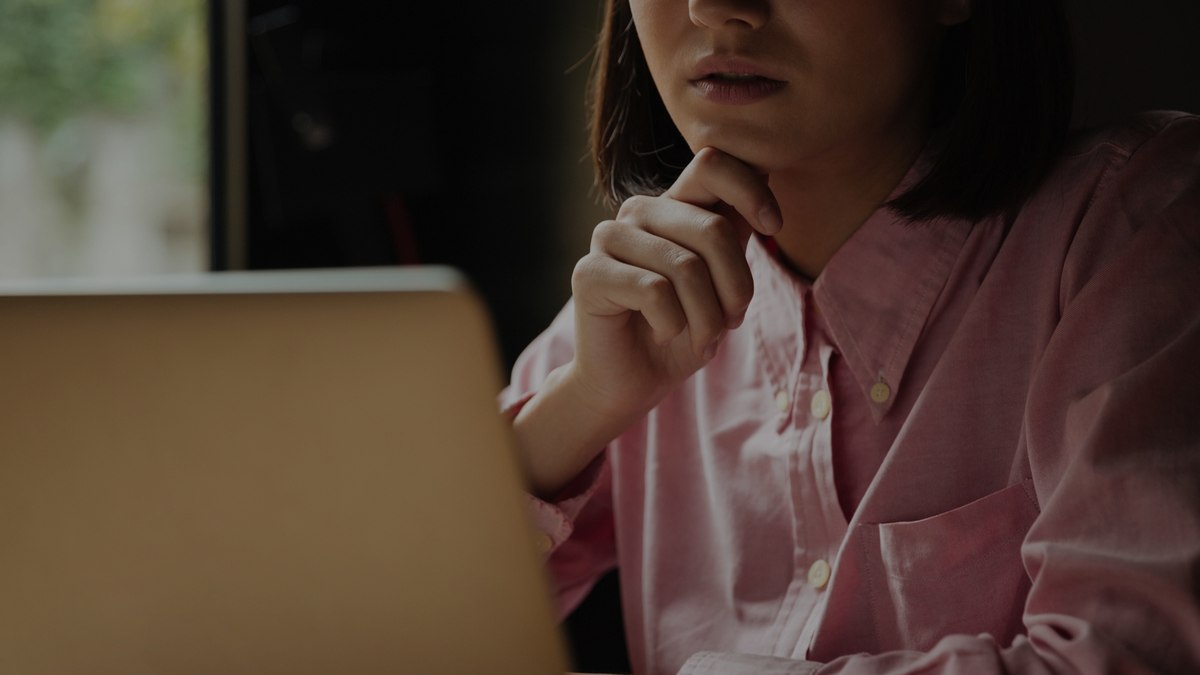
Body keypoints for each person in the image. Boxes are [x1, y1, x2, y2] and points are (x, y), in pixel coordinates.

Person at [502, 0, 1200, 672]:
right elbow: (404, 612)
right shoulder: (644, 302)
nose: (715, 7)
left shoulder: (1129, 228)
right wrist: (586, 402)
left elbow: (1132, 656)